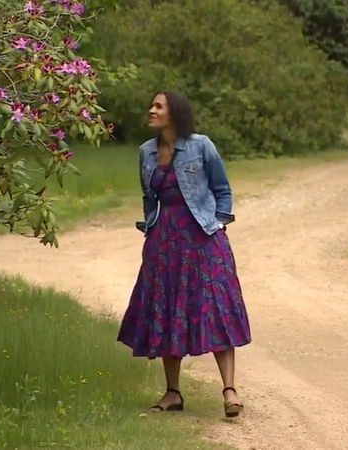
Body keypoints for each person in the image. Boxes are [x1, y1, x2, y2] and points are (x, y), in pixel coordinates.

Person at [116, 91, 252, 418]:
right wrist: (151, 231)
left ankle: (229, 391)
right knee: (166, 309)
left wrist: (218, 225)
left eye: (158, 106)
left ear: (174, 113)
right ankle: (173, 392)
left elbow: (222, 189)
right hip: (164, 242)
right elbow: (149, 198)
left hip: (203, 239)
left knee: (215, 307)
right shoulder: (146, 152)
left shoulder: (201, 146)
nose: (151, 110)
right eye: (151, 105)